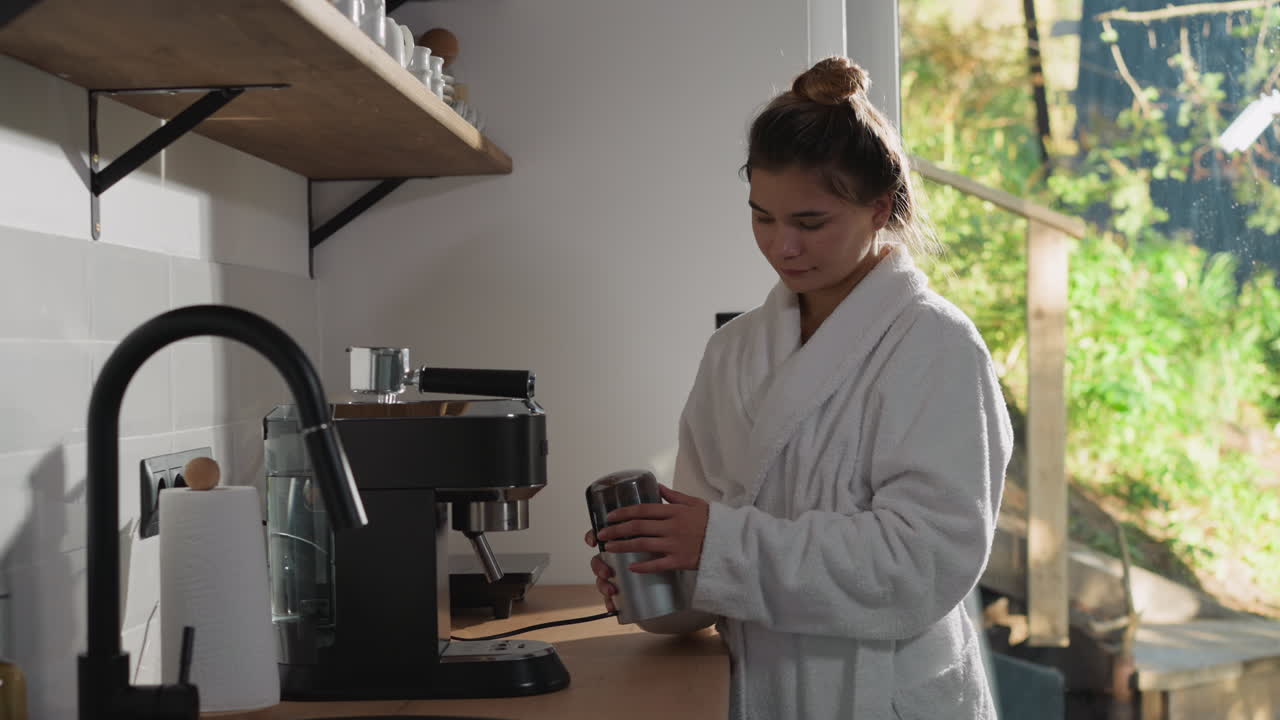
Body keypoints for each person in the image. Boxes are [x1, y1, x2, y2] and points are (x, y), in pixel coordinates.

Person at [584, 56, 1012, 719]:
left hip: (884, 697)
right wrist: (661, 573)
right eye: (763, 217)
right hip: (760, 688)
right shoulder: (735, 353)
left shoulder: (938, 350)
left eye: (809, 223)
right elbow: (712, 546)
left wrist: (716, 544)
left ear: (881, 208)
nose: (783, 247)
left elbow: (921, 566)